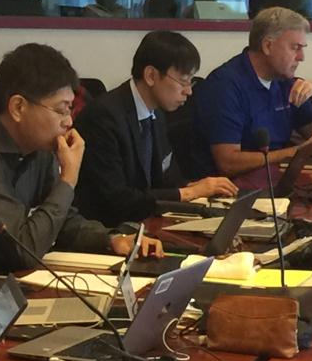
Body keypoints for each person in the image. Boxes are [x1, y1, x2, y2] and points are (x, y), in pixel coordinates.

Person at [0, 43, 161, 284]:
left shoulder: (38, 146)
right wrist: (68, 179)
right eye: (61, 110)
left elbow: (61, 221)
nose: (68, 122)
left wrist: (111, 239)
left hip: (12, 280)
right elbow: (24, 249)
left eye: (70, 110)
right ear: (18, 107)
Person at [76, 31, 238, 227]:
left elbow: (168, 178)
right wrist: (190, 192)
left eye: (191, 81)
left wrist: (199, 188)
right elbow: (116, 199)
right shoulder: (103, 117)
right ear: (151, 76)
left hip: (145, 222)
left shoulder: (156, 113)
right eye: (183, 81)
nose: (189, 91)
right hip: (107, 230)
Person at [192, 7, 312, 177]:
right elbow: (228, 163)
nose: (302, 57)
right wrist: (297, 151)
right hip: (235, 185)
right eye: (295, 48)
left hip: (277, 178)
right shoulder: (224, 86)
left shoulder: (285, 81)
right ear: (268, 46)